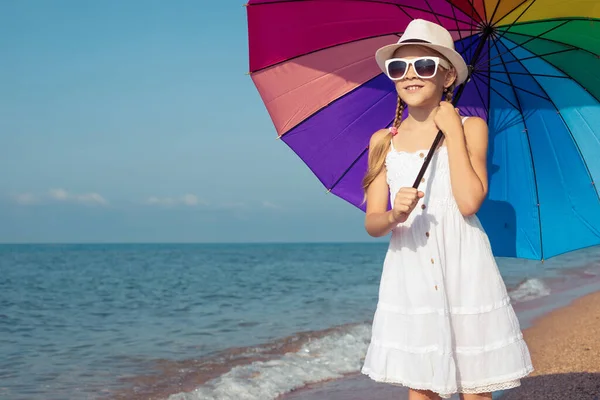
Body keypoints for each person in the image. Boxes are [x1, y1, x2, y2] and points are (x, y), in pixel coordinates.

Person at [360, 19, 534, 400]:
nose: (410, 75)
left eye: (423, 65)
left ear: (448, 75)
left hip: (463, 263)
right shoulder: (381, 142)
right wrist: (393, 215)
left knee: (474, 383)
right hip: (411, 266)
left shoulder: (472, 127)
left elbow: (470, 201)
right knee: (421, 383)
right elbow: (373, 222)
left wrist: (452, 131)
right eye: (398, 67)